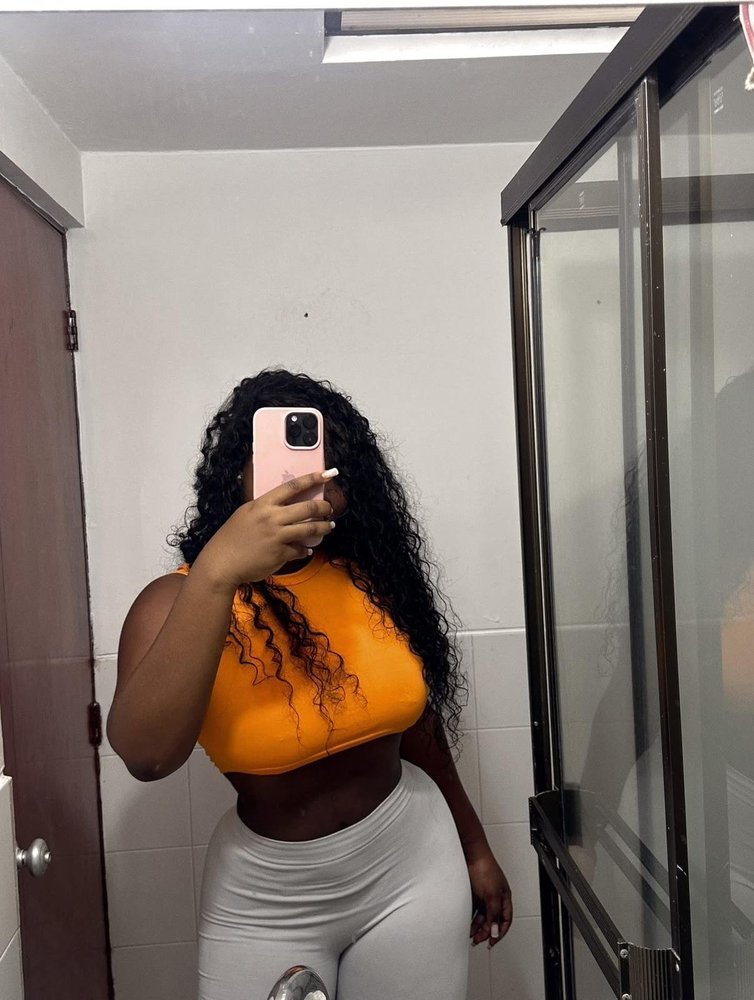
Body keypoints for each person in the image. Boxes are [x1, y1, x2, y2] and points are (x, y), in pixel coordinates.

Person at [107, 368, 513, 1000]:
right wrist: (218, 571)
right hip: (268, 898)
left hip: (414, 864)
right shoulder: (178, 602)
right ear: (236, 476)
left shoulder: (371, 580)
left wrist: (476, 846)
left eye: (329, 472)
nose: (307, 487)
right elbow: (147, 757)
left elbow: (418, 728)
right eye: (282, 467)